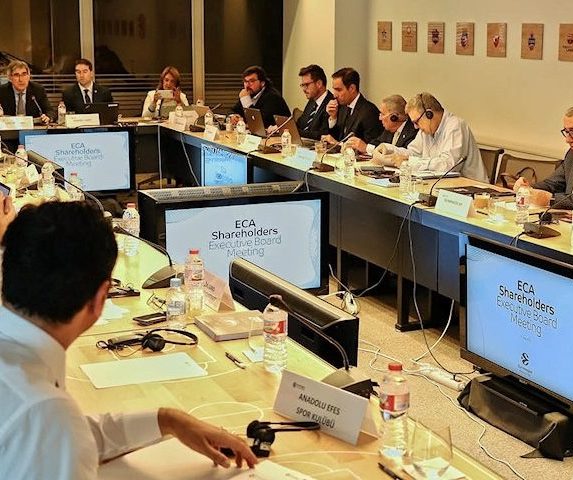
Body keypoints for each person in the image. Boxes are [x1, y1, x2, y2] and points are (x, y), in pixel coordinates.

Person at [0, 201, 258, 478]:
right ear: (101, 298)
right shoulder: (44, 413)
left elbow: (61, 439)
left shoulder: (42, 412)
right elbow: (57, 434)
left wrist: (167, 420)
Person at [375, 92, 488, 182]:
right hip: (441, 185)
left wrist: (411, 162)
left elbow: (448, 165)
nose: (415, 127)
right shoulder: (425, 130)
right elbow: (412, 153)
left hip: (471, 190)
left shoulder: (455, 126)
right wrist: (390, 149)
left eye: (417, 122)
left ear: (429, 114)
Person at [322, 67, 383, 145]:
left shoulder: (369, 112)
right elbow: (336, 138)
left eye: (339, 90)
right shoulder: (342, 106)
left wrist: (338, 144)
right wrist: (333, 118)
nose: (335, 95)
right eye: (334, 89)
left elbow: (369, 148)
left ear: (352, 88)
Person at [346, 94, 417, 157]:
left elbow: (402, 155)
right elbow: (376, 143)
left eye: (383, 114)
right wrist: (357, 147)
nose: (380, 118)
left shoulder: (412, 132)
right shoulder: (388, 131)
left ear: (394, 117)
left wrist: (366, 148)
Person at [295, 64, 333, 140]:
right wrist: (285, 127)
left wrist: (297, 132)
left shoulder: (331, 102)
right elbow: (300, 124)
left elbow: (323, 134)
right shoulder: (312, 101)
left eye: (306, 85)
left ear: (319, 84)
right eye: (302, 85)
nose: (304, 89)